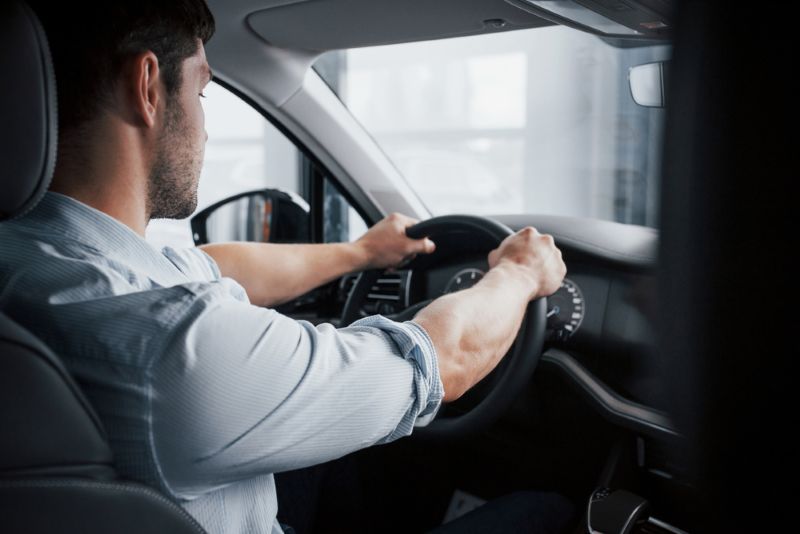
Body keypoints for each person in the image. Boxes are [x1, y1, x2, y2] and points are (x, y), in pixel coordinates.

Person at [0, 1, 569, 532]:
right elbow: (442, 361)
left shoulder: (38, 260)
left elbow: (210, 267)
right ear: (147, 87)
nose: (204, 125)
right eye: (202, 92)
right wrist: (519, 274)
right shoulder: (173, 345)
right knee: (546, 512)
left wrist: (362, 253)